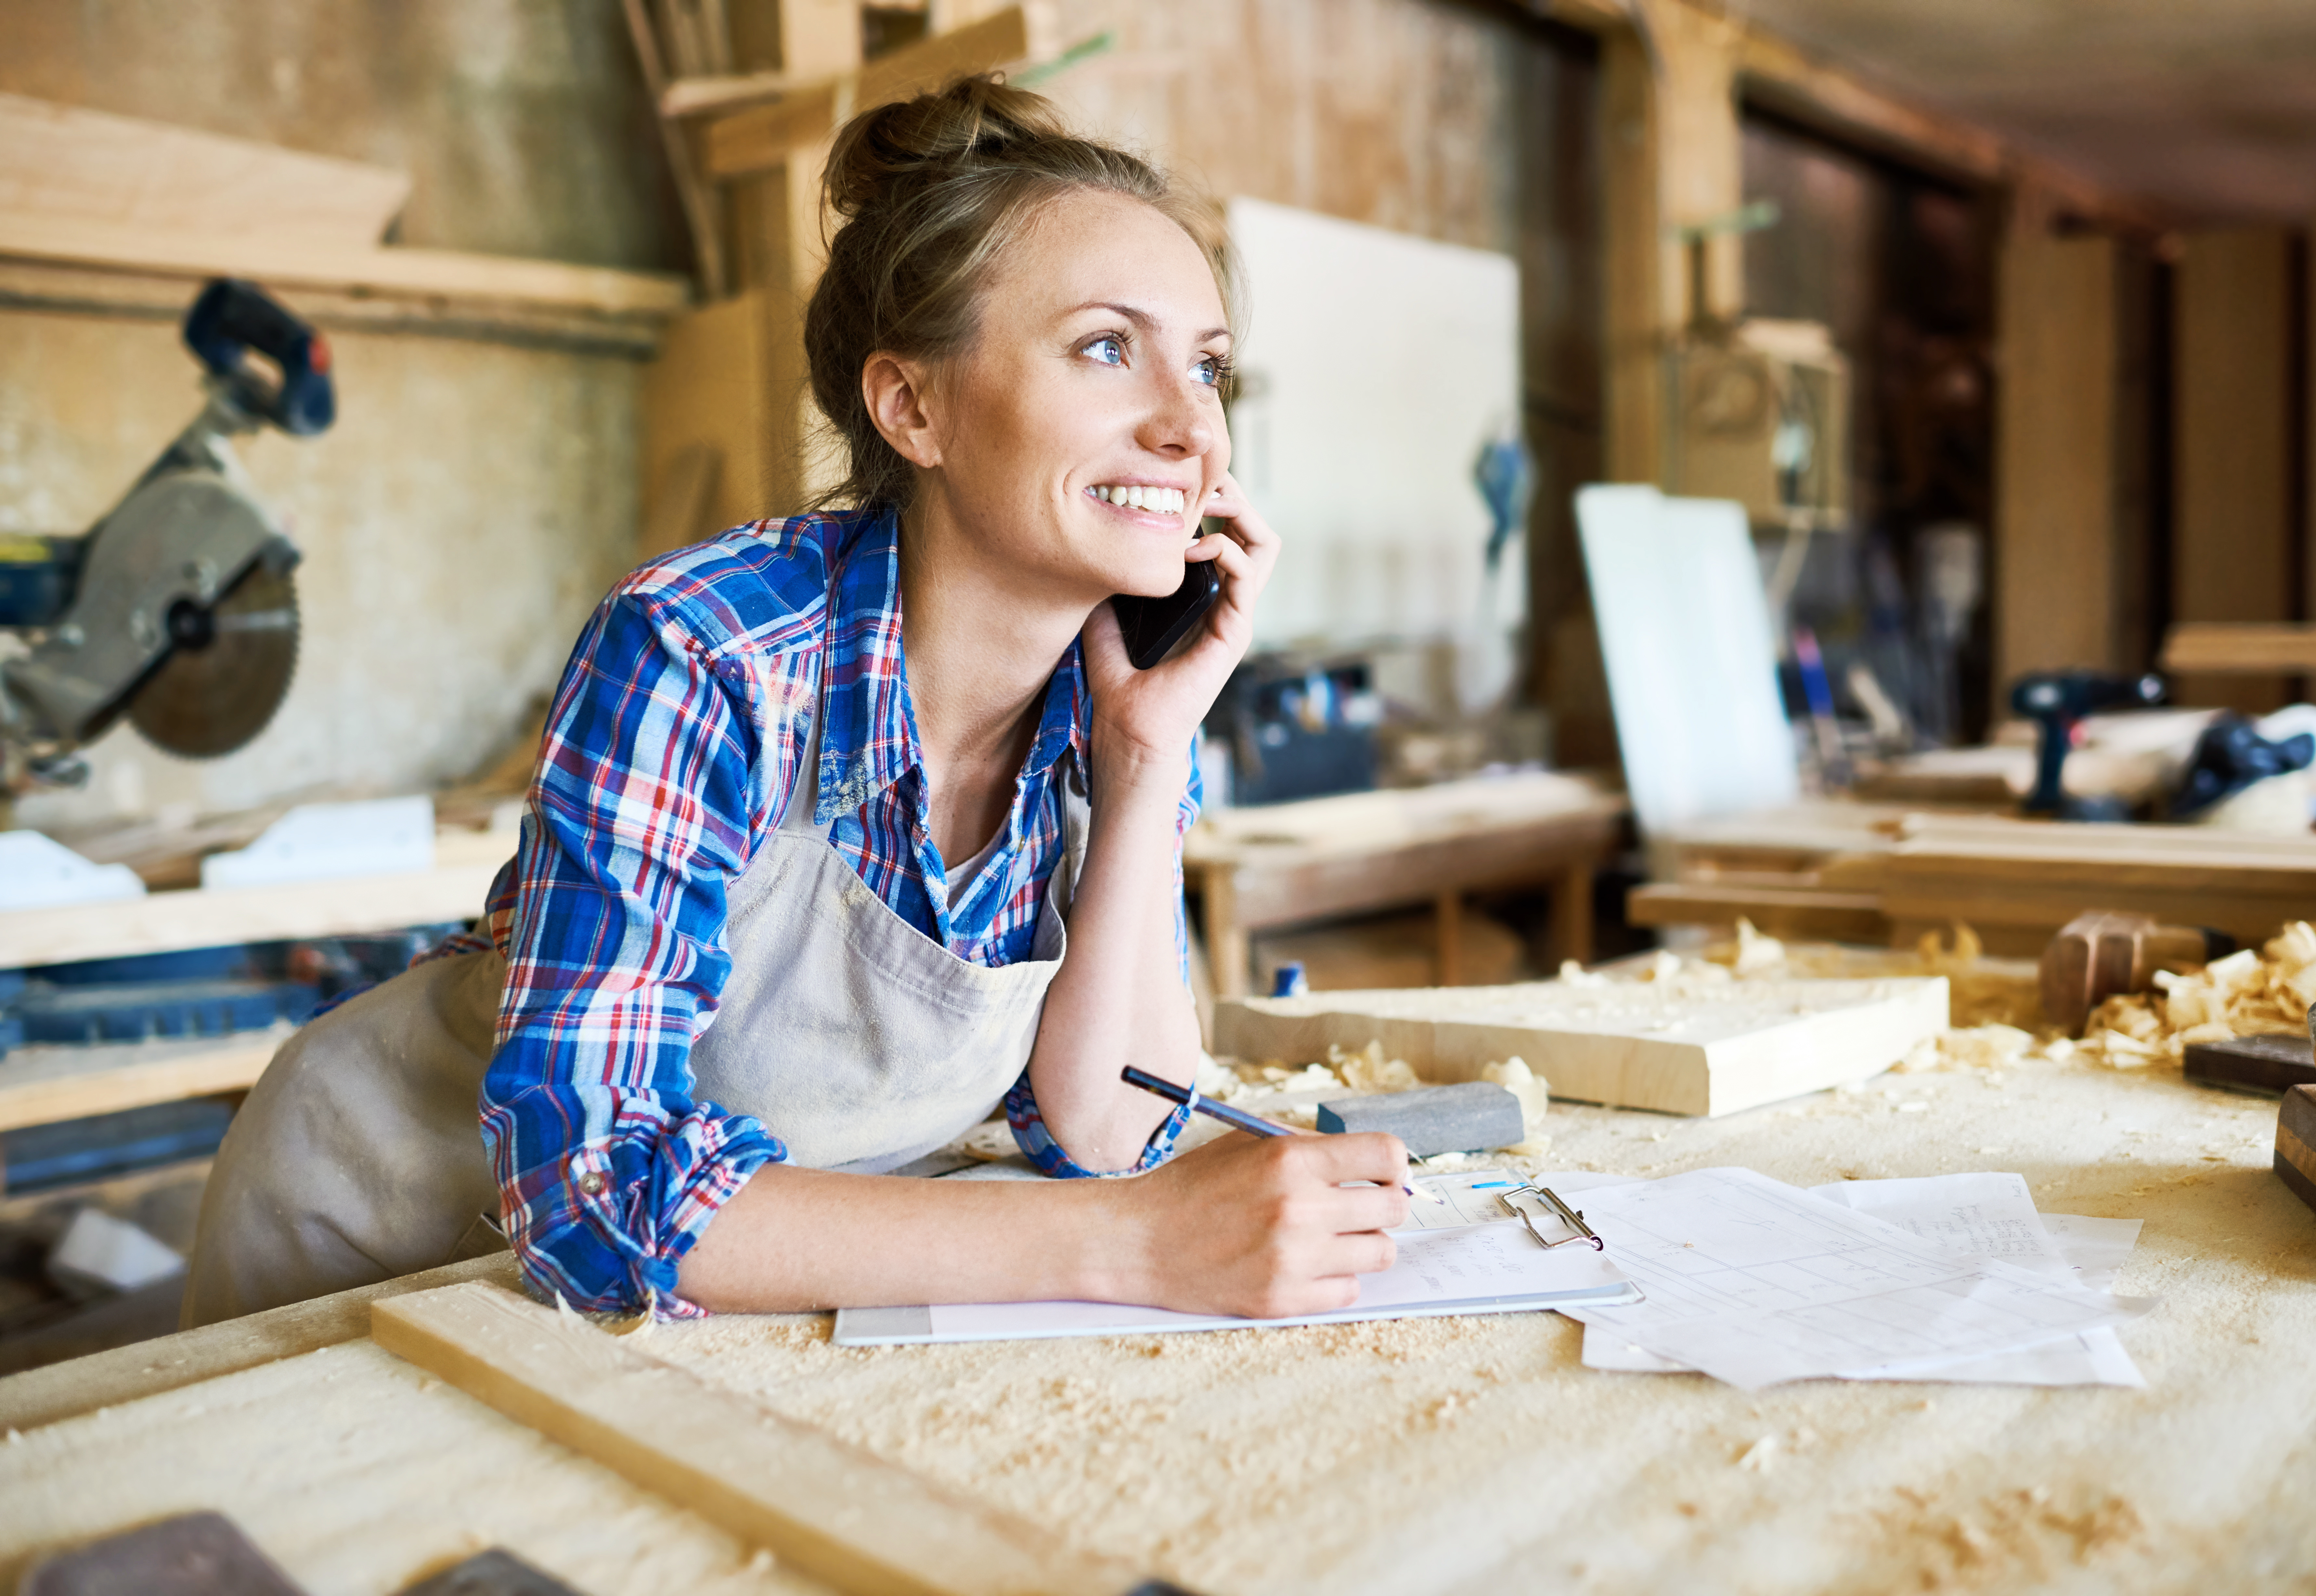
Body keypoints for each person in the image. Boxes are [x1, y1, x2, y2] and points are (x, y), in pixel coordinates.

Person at [184, 75, 1408, 1328]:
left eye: (1207, 369)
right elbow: (595, 1194)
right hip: (393, 1247)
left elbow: (1106, 1125)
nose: (1190, 428)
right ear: (912, 406)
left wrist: (1147, 758)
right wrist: (1127, 1248)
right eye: (1108, 348)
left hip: (705, 1299)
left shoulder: (1113, 697)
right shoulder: (708, 650)